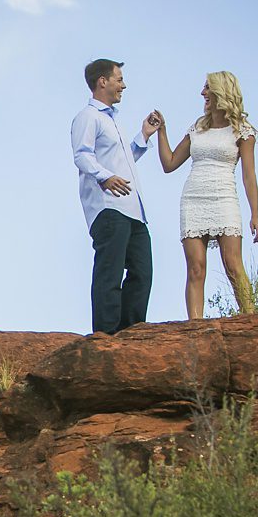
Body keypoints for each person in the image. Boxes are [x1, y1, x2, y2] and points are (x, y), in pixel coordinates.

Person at [152, 71, 258, 319]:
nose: (202, 93)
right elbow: (169, 164)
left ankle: (250, 319)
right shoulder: (197, 128)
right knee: (195, 269)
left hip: (225, 198)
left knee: (233, 265)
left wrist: (255, 214)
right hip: (193, 199)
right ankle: (195, 328)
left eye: (207, 88)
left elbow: (249, 176)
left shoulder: (242, 131)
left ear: (221, 91)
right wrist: (162, 131)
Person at [71, 58, 161, 334]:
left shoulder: (113, 122)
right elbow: (82, 156)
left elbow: (123, 161)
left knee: (142, 272)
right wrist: (104, 177)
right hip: (107, 208)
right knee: (109, 272)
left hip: (133, 210)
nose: (123, 85)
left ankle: (130, 333)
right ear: (103, 81)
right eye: (119, 79)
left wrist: (143, 135)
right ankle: (106, 336)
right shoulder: (88, 117)